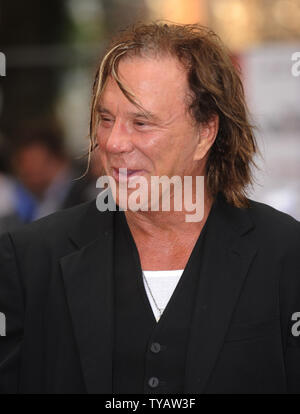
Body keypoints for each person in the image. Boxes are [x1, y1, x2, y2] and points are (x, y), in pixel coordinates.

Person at [0, 22, 299, 394]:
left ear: (205, 132)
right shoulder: (31, 258)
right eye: (106, 119)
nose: (113, 142)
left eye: (141, 123)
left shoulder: (285, 253)